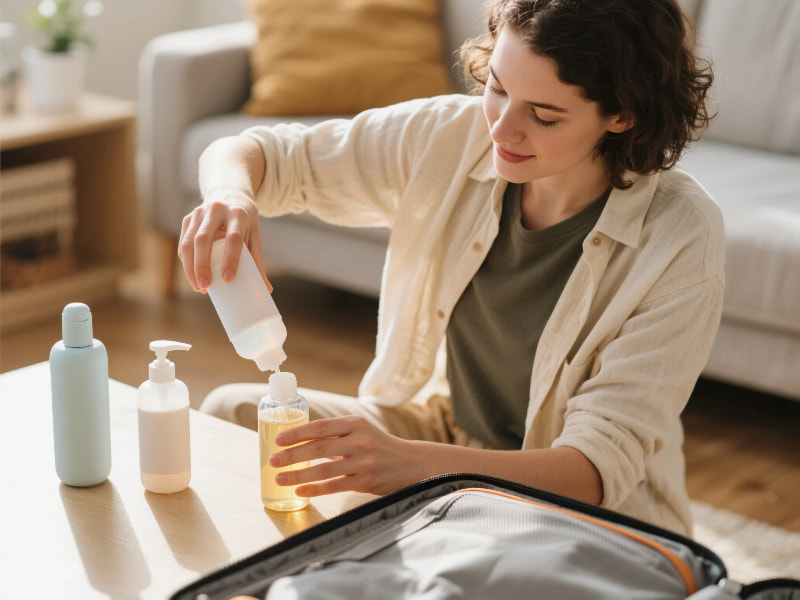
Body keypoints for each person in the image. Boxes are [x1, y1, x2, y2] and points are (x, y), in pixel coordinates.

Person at [179, 0, 721, 537]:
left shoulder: (680, 235)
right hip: (448, 434)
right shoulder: (449, 137)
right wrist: (231, 197)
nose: (502, 130)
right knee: (235, 413)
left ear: (622, 114)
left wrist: (409, 466)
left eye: (543, 115)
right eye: (500, 88)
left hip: (586, 520)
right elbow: (258, 153)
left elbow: (590, 472)